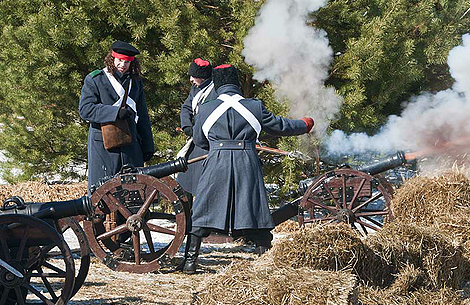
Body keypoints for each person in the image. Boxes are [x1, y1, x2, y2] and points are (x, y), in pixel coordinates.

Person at [182, 64, 314, 274]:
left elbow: (199, 139)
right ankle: (266, 264)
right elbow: (281, 126)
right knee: (255, 212)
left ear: (217, 84)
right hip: (247, 163)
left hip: (217, 162)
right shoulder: (254, 107)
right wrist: (304, 125)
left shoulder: (206, 108)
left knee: (203, 211)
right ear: (236, 83)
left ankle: (190, 262)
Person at [78, 40, 155, 192]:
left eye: (127, 62)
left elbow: (143, 117)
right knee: (103, 192)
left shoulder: (136, 82)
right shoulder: (95, 79)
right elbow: (85, 110)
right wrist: (114, 112)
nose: (123, 65)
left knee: (132, 192)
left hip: (130, 144)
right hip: (103, 146)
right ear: (112, 58)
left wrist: (147, 145)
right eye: (120, 60)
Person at [175, 58, 217, 271]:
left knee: (201, 201)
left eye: (195, 76)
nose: (191, 79)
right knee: (184, 190)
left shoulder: (215, 91)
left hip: (208, 148)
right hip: (194, 143)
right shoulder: (196, 88)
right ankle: (181, 239)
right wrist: (187, 127)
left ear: (206, 77)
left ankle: (191, 257)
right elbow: (185, 108)